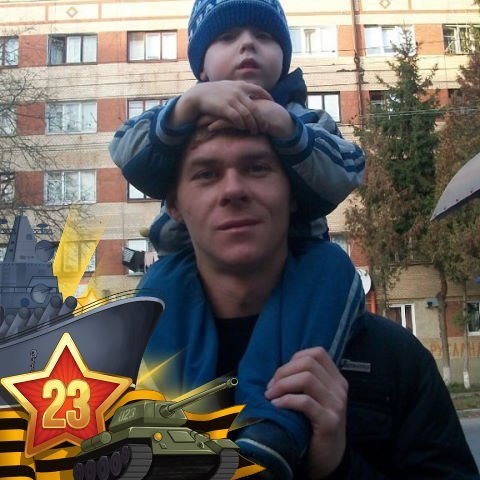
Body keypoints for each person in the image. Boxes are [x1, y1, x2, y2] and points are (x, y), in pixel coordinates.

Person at [138, 126, 479, 479]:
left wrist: (336, 466)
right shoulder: (121, 367)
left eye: (257, 168)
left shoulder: (393, 357)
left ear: (293, 195)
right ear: (175, 205)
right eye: (206, 174)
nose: (233, 189)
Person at [109, 0, 365, 254]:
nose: (248, 43)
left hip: (300, 260)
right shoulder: (182, 115)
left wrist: (288, 128)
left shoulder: (304, 119)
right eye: (227, 37)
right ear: (202, 67)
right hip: (186, 260)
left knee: (335, 266)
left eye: (263, 36)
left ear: (283, 59)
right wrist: (185, 108)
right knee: (160, 279)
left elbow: (349, 169)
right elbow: (124, 150)